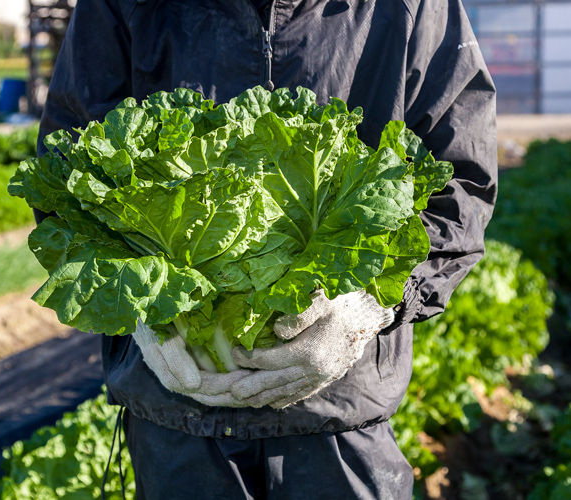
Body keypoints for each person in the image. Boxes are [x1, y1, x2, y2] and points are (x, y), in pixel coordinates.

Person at [35, 0, 497, 498]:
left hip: (337, 410)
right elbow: (68, 167)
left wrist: (371, 305)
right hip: (177, 409)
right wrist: (146, 312)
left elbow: (460, 182)